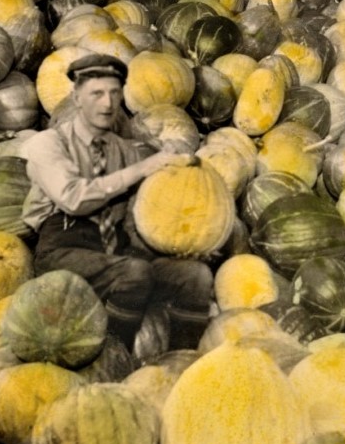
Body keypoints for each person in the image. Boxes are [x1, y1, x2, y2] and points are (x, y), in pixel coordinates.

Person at [20, 53, 214, 356]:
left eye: (113, 94)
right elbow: (74, 198)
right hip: (64, 250)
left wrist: (191, 235)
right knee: (133, 274)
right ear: (76, 98)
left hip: (116, 250)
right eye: (96, 94)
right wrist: (141, 169)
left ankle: (182, 359)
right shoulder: (48, 144)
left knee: (195, 276)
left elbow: (153, 204)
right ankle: (112, 355)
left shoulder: (124, 152)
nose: (107, 104)